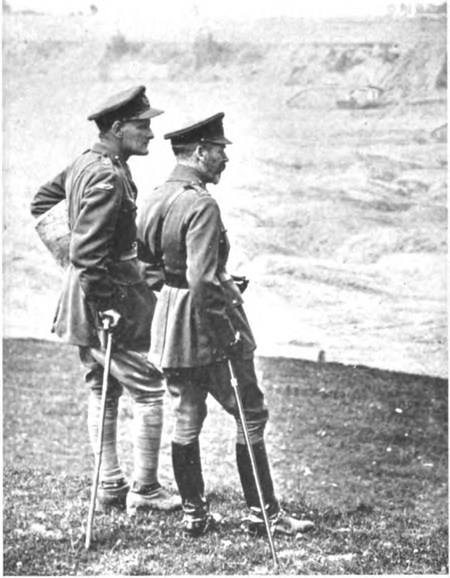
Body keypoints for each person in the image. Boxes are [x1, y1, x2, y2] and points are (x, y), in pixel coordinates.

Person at [137, 112, 314, 536]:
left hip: (173, 324)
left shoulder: (156, 196)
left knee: (187, 412)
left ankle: (194, 515)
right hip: (208, 325)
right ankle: (265, 515)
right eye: (219, 151)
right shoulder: (202, 203)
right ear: (200, 152)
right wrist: (227, 332)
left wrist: (190, 288)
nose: (225, 159)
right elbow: (201, 278)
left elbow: (148, 267)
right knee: (250, 412)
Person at [30, 86, 181, 515]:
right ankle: (145, 491)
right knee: (148, 388)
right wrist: (102, 299)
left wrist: (74, 266)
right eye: (142, 125)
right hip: (107, 301)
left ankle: (111, 485)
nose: (150, 133)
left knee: (103, 385)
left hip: (86, 297)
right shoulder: (108, 175)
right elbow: (89, 252)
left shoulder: (87, 162)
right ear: (117, 128)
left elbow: (43, 202)